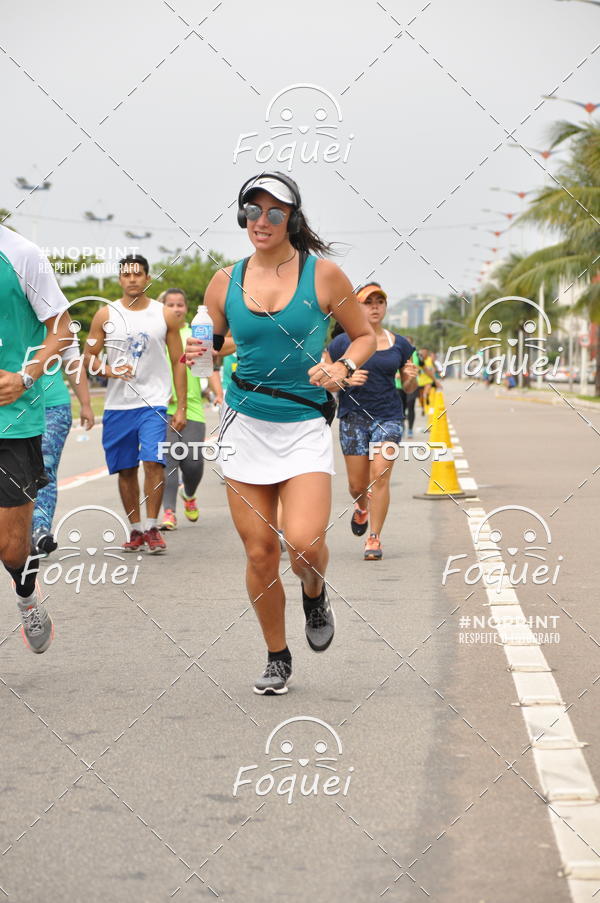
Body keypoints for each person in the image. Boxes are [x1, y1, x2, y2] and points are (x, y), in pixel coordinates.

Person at [186, 171, 376, 695]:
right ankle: (276, 655)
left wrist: (340, 367)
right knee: (260, 552)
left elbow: (363, 336)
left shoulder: (324, 275)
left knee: (305, 544)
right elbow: (214, 347)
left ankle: (314, 592)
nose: (262, 220)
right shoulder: (225, 281)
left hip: (303, 423)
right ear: (242, 215)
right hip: (244, 423)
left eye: (275, 211)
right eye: (253, 210)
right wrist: (200, 353)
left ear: (291, 217)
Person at [0, 224, 74, 653]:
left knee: (11, 548)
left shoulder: (21, 254)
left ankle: (26, 593)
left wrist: (25, 377)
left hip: (12, 420)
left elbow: (62, 329)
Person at [84, 255, 187, 554]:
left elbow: (179, 361)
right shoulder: (105, 315)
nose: (132, 279)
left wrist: (181, 406)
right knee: (126, 469)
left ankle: (153, 527)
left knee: (154, 461)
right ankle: (136, 529)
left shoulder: (164, 315)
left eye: (138, 274)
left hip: (153, 402)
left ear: (147, 278)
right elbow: (88, 358)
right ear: (120, 279)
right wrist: (109, 370)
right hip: (118, 405)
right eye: (126, 275)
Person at [324, 282, 417, 560]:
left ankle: (374, 538)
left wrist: (411, 380)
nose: (375, 307)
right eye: (368, 302)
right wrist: (346, 379)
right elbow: (327, 383)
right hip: (353, 418)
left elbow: (409, 387)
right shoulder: (341, 344)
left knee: (380, 473)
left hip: (388, 416)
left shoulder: (400, 344)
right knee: (357, 485)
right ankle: (361, 507)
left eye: (380, 302)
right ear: (357, 307)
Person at [157, 288, 223, 530]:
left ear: (186, 308)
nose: (176, 309)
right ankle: (169, 513)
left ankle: (189, 494)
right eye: (170, 304)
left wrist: (219, 393)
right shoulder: (157, 335)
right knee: (169, 460)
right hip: (162, 407)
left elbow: (211, 365)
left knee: (193, 463)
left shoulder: (195, 334)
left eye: (180, 304)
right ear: (162, 307)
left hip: (192, 406)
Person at [31, 336, 95, 555]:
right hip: (12, 406)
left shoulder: (61, 324)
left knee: (45, 466)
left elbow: (73, 363)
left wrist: (85, 404)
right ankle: (19, 531)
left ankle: (40, 530)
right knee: (14, 471)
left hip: (53, 407)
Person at [416, 347, 436, 414]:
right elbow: (416, 368)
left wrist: (433, 371)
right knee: (421, 398)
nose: (424, 353)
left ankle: (428, 401)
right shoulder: (419, 360)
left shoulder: (430, 360)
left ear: (427, 353)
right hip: (420, 381)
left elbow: (434, 367)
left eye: (425, 352)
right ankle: (423, 408)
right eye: (423, 352)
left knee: (426, 393)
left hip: (428, 380)